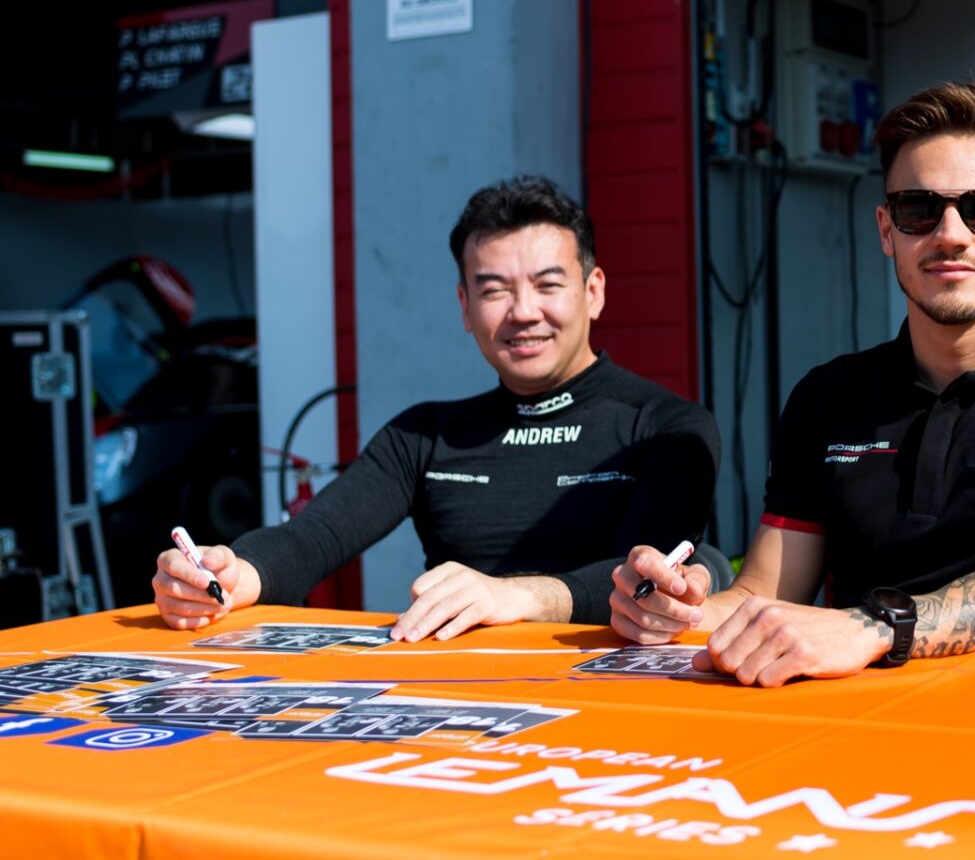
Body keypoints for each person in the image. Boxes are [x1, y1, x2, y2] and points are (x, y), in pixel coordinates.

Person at [613, 81, 975, 685]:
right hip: (844, 721)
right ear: (886, 230)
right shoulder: (826, 396)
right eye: (918, 209)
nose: (950, 233)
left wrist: (875, 627)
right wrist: (674, 610)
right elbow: (763, 595)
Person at [151, 175, 720, 640]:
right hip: (458, 701)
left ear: (593, 292)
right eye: (494, 290)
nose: (523, 311)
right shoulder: (424, 435)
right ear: (465, 307)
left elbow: (647, 580)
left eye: (548, 285)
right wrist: (230, 575)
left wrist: (515, 597)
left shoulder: (668, 429)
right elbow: (314, 538)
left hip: (613, 699)